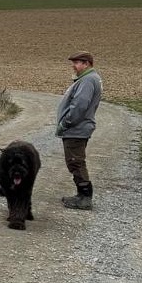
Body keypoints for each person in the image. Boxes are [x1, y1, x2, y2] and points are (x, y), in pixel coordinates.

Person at [56, 51, 103, 210]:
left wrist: (66, 122)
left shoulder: (88, 80)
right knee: (75, 161)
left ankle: (85, 198)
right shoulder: (89, 78)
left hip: (77, 129)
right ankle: (81, 195)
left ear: (86, 63)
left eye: (76, 63)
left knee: (76, 162)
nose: (73, 66)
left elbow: (80, 105)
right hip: (78, 128)